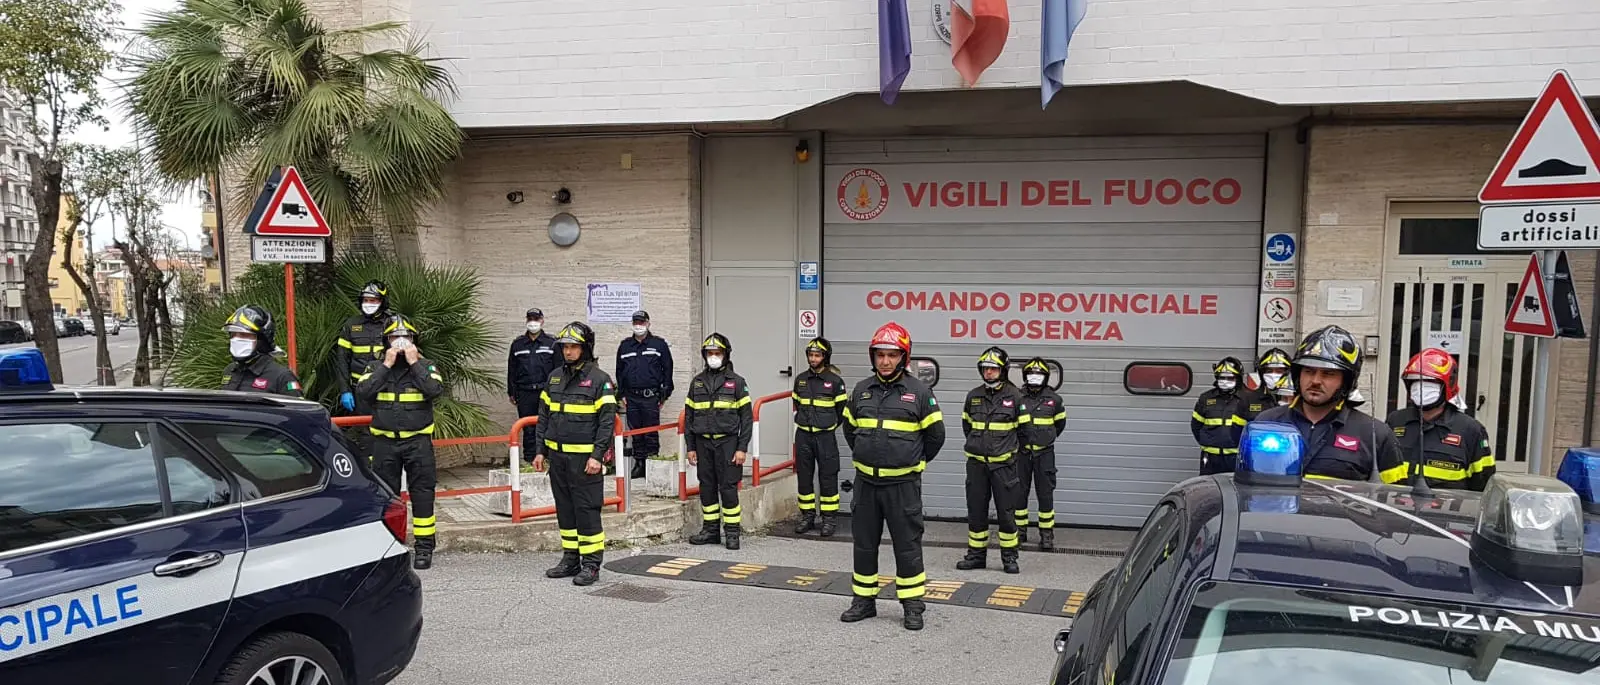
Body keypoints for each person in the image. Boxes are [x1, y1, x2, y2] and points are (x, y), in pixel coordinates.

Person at [840, 322, 946, 630]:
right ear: (872, 357)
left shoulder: (920, 393)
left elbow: (935, 437)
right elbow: (850, 430)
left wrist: (915, 462)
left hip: (902, 486)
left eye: (892, 355)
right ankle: (863, 601)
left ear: (904, 357)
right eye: (880, 355)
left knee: (907, 544)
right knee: (864, 543)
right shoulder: (860, 390)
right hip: (866, 485)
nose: (885, 361)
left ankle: (913, 605)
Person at [1250, 326, 1407, 484]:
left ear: (1346, 382)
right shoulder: (1267, 422)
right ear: (1298, 375)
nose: (1316, 381)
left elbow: (1393, 499)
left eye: (1328, 373)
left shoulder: (1375, 435)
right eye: (1309, 371)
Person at [354, 314, 445, 570]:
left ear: (414, 341)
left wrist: (415, 364)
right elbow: (363, 392)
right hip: (384, 444)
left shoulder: (426, 365)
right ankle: (390, 546)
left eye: (406, 337)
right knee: (387, 497)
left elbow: (435, 391)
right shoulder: (374, 367)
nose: (401, 342)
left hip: (418, 443)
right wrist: (386, 365)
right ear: (386, 341)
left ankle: (424, 548)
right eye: (395, 337)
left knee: (423, 495)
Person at [533, 322, 619, 586]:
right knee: (566, 510)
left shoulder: (600, 380)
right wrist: (540, 451)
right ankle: (571, 559)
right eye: (565, 347)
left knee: (587, 510)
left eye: (573, 347)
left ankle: (591, 564)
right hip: (558, 459)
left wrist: (597, 455)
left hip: (585, 461)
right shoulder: (555, 377)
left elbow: (607, 423)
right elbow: (544, 416)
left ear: (585, 348)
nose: (568, 352)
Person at [957, 346, 1030, 574]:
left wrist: (1010, 453)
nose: (989, 373)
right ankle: (976, 556)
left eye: (993, 369)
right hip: (977, 465)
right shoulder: (973, 395)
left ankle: (1009, 557)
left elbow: (1025, 430)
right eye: (986, 369)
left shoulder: (1015, 396)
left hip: (1003, 466)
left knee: (1006, 512)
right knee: (976, 511)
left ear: (1003, 370)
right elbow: (967, 426)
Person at [1386, 348, 1495, 491]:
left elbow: (1484, 485)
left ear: (1448, 386)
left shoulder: (1471, 430)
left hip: (1446, 511)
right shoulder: (1396, 421)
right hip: (1396, 509)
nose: (1421, 389)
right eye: (1415, 383)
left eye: (1429, 383)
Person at [683, 333, 754, 550]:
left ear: (725, 355)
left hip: (728, 443)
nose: (713, 357)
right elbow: (689, 417)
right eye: (709, 353)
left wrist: (742, 448)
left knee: (728, 488)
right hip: (703, 443)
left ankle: (732, 533)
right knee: (707, 487)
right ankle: (710, 530)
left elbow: (747, 418)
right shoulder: (697, 383)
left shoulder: (737, 383)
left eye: (717, 353)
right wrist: (691, 447)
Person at [792, 337, 847, 536]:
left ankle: (829, 519)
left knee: (828, 476)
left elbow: (842, 412)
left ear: (825, 357)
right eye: (811, 355)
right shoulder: (800, 380)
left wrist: (828, 425)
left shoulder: (835, 382)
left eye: (817, 355)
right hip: (804, 435)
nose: (813, 359)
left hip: (825, 437)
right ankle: (807, 516)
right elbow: (797, 404)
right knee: (804, 477)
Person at [335, 281, 393, 455]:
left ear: (383, 302)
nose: (369, 304)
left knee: (388, 427)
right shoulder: (351, 325)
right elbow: (341, 360)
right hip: (361, 389)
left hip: (387, 387)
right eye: (366, 300)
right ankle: (370, 469)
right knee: (365, 431)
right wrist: (345, 390)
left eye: (374, 300)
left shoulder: (393, 323)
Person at [1014, 357, 1066, 550]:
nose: (1034, 378)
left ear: (1045, 377)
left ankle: (1046, 534)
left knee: (1045, 494)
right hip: (1022, 453)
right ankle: (1020, 531)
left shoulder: (1055, 400)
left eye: (1038, 375)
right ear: (1025, 376)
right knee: (1019, 494)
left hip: (1045, 454)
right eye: (1031, 375)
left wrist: (1046, 439)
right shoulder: (1017, 397)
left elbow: (1059, 425)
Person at [616, 310, 674, 479]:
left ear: (648, 324)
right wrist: (622, 394)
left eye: (642, 323)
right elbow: (620, 371)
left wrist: (664, 395)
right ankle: (639, 464)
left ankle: (652, 463)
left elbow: (667, 369)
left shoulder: (658, 345)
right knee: (636, 432)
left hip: (651, 396)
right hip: (632, 397)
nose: (638, 326)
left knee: (651, 432)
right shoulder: (625, 346)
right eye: (636, 323)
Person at [220, 305, 303, 397]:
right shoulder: (230, 371)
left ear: (262, 340)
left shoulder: (282, 377)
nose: (236, 339)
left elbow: (297, 410)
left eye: (244, 334)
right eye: (233, 334)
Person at [507, 307, 557, 453]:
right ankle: (529, 459)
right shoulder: (518, 344)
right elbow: (512, 370)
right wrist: (512, 392)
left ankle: (546, 459)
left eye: (536, 319)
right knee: (528, 429)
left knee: (547, 426)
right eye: (530, 319)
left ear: (542, 321)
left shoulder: (551, 343)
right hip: (525, 392)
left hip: (545, 392)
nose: (533, 322)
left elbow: (558, 369)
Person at [1190, 357, 1249, 475]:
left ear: (1238, 378)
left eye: (1230, 378)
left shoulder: (1248, 399)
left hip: (1237, 458)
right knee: (1208, 490)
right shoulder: (1206, 398)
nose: (1225, 381)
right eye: (1222, 377)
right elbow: (1196, 425)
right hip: (1211, 459)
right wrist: (1208, 443)